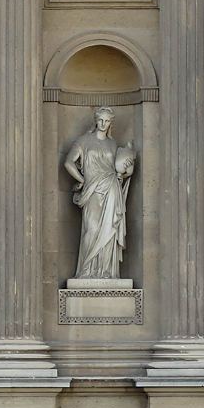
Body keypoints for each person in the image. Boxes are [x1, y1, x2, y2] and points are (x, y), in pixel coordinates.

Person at [64, 107, 135, 280]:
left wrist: (124, 171)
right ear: (96, 120)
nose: (103, 124)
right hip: (92, 189)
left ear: (111, 122)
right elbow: (68, 163)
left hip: (111, 188)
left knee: (109, 230)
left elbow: (122, 168)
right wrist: (82, 180)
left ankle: (105, 272)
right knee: (92, 228)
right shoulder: (83, 141)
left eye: (107, 121)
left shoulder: (112, 144)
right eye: (100, 120)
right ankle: (86, 271)